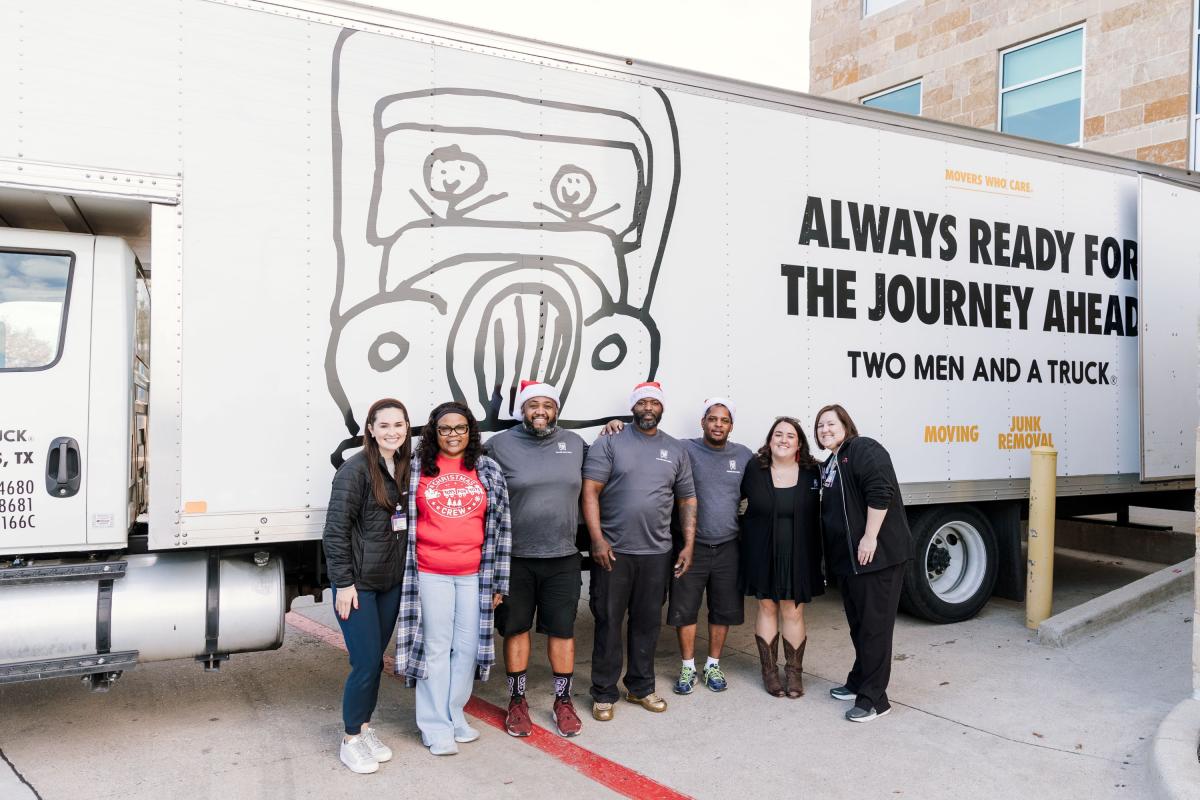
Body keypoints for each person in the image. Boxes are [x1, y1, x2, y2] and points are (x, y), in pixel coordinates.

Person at [605, 398, 751, 695]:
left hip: (728, 546)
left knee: (722, 610)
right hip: (690, 547)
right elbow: (647, 442)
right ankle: (688, 667)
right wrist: (613, 426)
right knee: (685, 609)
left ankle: (713, 664)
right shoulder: (682, 448)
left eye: (724, 420)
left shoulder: (744, 456)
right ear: (703, 422)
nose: (718, 425)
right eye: (712, 419)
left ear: (731, 426)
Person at [394, 402, 512, 754]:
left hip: (474, 573)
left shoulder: (487, 468)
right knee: (435, 647)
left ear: (470, 432)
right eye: (445, 429)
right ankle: (434, 726)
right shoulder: (416, 470)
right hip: (430, 572)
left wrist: (498, 582)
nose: (453, 435)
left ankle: (454, 712)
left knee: (466, 649)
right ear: (433, 432)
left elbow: (503, 526)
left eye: (460, 428)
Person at [583, 381, 697, 721]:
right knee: (607, 622)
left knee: (647, 623)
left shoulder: (676, 449)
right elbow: (590, 491)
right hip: (613, 552)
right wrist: (597, 539)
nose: (648, 407)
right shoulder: (610, 443)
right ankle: (604, 693)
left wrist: (688, 544)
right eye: (642, 402)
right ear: (633, 407)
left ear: (662, 408)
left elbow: (687, 499)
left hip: (657, 553)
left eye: (654, 403)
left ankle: (640, 687)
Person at [486, 380, 586, 738]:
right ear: (522, 410)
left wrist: (615, 429)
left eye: (547, 404)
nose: (540, 410)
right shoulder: (499, 445)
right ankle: (517, 701)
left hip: (562, 556)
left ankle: (563, 701)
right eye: (532, 405)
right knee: (516, 629)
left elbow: (603, 473)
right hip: (514, 559)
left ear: (556, 409)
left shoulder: (574, 444)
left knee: (562, 630)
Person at [322, 398, 412, 774]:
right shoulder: (355, 470)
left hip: (390, 582)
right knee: (364, 663)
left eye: (399, 425)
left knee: (375, 661)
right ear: (370, 430)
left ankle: (365, 728)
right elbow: (335, 532)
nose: (392, 431)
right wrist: (344, 584)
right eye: (384, 425)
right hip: (359, 586)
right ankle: (351, 740)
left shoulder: (405, 466)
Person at [814, 404, 912, 723]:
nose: (825, 430)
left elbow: (880, 492)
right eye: (820, 426)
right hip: (851, 564)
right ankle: (859, 681)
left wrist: (870, 537)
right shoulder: (832, 462)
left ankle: (875, 699)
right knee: (860, 625)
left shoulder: (863, 448)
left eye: (831, 423)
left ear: (846, 424)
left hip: (876, 559)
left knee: (875, 629)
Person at [739, 416, 824, 699]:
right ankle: (769, 673)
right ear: (769, 440)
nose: (783, 439)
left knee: (793, 609)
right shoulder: (754, 468)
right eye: (778, 434)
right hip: (762, 551)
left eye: (790, 435)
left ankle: (794, 674)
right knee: (767, 608)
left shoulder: (813, 471)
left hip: (800, 553)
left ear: (799, 443)